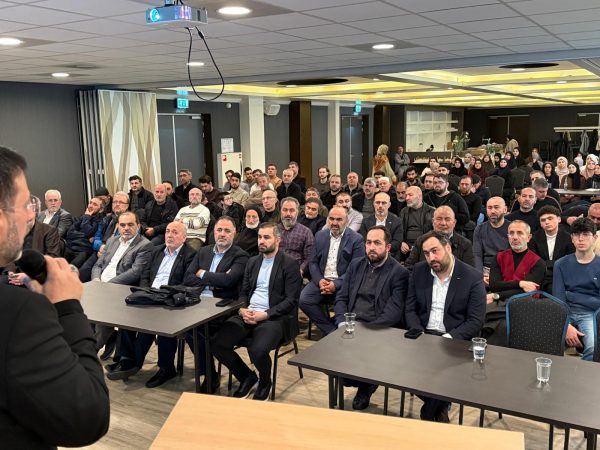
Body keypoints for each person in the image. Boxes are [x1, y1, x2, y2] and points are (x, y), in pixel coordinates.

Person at [0, 146, 109, 447]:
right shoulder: (18, 312)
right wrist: (68, 308)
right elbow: (87, 418)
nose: (30, 216)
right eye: (24, 205)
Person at [211, 222, 302, 400]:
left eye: (266, 237)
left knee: (257, 350)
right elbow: (243, 292)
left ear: (278, 240)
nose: (261, 241)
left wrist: (266, 314)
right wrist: (242, 309)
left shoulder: (289, 264)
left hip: (274, 317)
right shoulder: (252, 262)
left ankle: (265, 382)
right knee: (217, 344)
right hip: (248, 312)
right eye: (260, 237)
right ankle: (247, 377)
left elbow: (291, 300)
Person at [404, 231, 486, 422]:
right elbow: (410, 309)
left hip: (453, 338)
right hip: (423, 336)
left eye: (435, 251)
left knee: (444, 371)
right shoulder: (419, 271)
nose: (431, 258)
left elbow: (475, 321)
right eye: (426, 253)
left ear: (448, 248)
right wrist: (419, 333)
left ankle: (430, 410)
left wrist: (447, 339)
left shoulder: (471, 277)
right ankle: (440, 406)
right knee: (401, 368)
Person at [106, 221, 196, 382]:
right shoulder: (157, 250)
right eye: (167, 231)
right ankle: (126, 360)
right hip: (150, 295)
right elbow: (145, 275)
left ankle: (163, 368)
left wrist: (161, 295)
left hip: (169, 299)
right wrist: (146, 291)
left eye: (175, 232)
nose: (169, 235)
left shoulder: (190, 255)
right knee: (126, 317)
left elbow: (187, 283)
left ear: (184, 238)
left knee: (156, 324)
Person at [333, 226, 409, 410]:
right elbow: (342, 297)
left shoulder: (399, 272)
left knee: (365, 355)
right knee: (335, 368)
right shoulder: (356, 265)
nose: (371, 247)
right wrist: (342, 322)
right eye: (368, 243)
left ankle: (366, 387)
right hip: (351, 324)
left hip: (378, 328)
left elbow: (394, 312)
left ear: (388, 247)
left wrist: (367, 331)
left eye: (377, 243)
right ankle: (359, 379)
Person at [91, 211, 153, 353]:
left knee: (102, 315)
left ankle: (91, 351)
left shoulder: (144, 245)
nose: (126, 228)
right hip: (99, 285)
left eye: (130, 225)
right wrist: (96, 280)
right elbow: (98, 265)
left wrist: (107, 286)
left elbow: (135, 272)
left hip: (120, 289)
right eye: (123, 225)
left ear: (138, 226)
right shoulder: (112, 240)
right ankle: (96, 342)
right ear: (118, 226)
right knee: (81, 311)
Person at [299, 207, 365, 335]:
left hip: (344, 283)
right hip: (322, 280)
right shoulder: (320, 235)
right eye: (332, 219)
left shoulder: (356, 239)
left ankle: (336, 329)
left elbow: (356, 269)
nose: (334, 223)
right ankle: (331, 331)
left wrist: (336, 284)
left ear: (346, 221)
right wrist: (320, 281)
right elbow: (313, 262)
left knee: (344, 304)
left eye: (339, 219)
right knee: (304, 300)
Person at [485, 220, 546, 345]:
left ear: (528, 237)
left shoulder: (538, 262)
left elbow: (527, 291)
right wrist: (520, 283)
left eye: (519, 233)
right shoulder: (499, 257)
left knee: (503, 325)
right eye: (511, 233)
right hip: (498, 302)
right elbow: (494, 285)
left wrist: (497, 295)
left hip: (525, 304)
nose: (515, 237)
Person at [553, 218, 600, 361]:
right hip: (564, 312)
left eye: (585, 234)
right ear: (572, 238)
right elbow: (559, 298)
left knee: (593, 347)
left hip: (591, 314)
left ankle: (583, 374)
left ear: (595, 238)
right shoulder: (560, 264)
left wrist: (572, 295)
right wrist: (566, 324)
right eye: (576, 234)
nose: (580, 239)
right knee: (546, 342)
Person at [405, 206, 474, 269]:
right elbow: (409, 267)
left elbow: (469, 271)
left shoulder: (465, 244)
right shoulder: (421, 240)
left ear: (454, 223)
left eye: (447, 219)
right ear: (433, 222)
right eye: (439, 219)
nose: (443, 223)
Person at [529, 206, 575, 293]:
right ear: (540, 223)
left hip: (562, 274)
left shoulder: (569, 237)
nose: (547, 222)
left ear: (559, 219)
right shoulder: (534, 238)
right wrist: (557, 263)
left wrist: (547, 264)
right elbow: (534, 262)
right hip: (541, 276)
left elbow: (570, 260)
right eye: (543, 220)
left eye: (550, 218)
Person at [473, 196, 511, 275]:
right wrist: (480, 275)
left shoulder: (512, 228)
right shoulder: (479, 229)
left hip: (506, 269)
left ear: (505, 209)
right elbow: (477, 255)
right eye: (489, 208)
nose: (492, 211)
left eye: (496, 207)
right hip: (485, 269)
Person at [64, 196, 105, 267]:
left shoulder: (100, 221)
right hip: (71, 247)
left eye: (95, 204)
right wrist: (84, 236)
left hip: (84, 250)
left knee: (71, 268)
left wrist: (87, 217)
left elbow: (87, 232)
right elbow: (70, 233)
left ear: (101, 209)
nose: (91, 205)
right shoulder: (82, 216)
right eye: (90, 203)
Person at [358, 192, 402, 259]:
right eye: (377, 202)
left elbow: (397, 242)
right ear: (373, 204)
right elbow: (363, 241)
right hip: (370, 255)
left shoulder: (397, 221)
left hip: (390, 256)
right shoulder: (366, 221)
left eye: (383, 203)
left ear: (389, 205)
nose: (380, 205)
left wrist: (381, 250)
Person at [278, 197, 314, 276]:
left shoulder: (306, 232)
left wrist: (301, 270)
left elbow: (310, 257)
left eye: (292, 210)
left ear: (297, 212)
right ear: (280, 211)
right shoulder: (273, 230)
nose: (288, 214)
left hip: (295, 271)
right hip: (275, 270)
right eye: (285, 210)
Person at [399, 186, 434, 261]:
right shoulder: (403, 211)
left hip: (425, 245)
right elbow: (399, 230)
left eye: (410, 195)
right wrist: (401, 242)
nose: (407, 198)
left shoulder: (432, 211)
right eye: (406, 195)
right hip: (406, 247)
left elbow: (436, 233)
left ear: (419, 196)